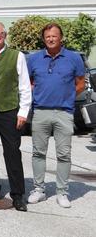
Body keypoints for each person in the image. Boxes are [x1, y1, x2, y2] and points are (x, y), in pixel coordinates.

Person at [27, 23, 85, 209]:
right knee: (38, 152)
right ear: (44, 39)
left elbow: (81, 84)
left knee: (64, 155)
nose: (51, 39)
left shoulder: (74, 58)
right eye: (47, 36)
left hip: (64, 113)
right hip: (40, 111)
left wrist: (66, 97)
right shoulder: (34, 59)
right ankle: (39, 190)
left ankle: (62, 192)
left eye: (54, 36)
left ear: (61, 38)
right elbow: (27, 83)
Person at [0, 22, 31, 211]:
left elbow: (25, 85)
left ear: (5, 34)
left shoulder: (17, 56)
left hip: (9, 109)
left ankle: (18, 195)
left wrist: (23, 112)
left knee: (12, 152)